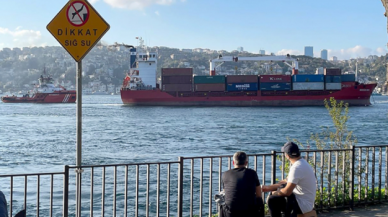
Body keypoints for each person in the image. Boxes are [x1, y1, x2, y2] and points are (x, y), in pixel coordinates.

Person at [262, 142, 316, 217]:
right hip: (306, 202)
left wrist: (275, 193)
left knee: (272, 199)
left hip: (302, 205)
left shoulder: (297, 167)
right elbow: (286, 181)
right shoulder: (302, 163)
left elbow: (287, 192)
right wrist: (268, 188)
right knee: (280, 190)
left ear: (287, 155)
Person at [220, 151, 264, 217]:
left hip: (230, 211)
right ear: (246, 163)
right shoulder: (252, 173)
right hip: (248, 211)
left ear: (233, 162)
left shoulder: (225, 174)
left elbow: (225, 191)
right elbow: (258, 194)